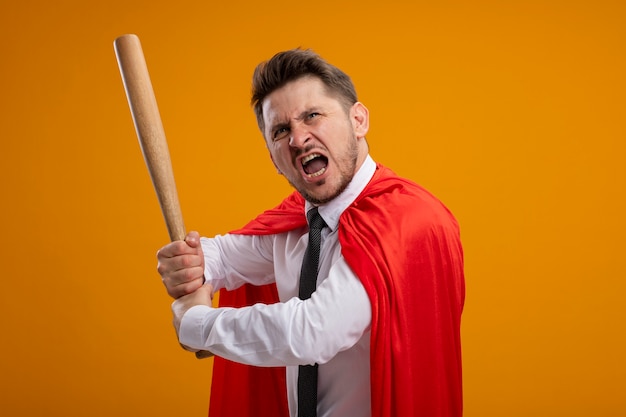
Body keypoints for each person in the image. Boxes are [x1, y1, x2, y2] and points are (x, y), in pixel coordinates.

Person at [156, 48, 465, 417]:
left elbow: (313, 332)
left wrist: (198, 324)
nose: (298, 139)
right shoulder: (296, 224)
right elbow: (222, 256)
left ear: (358, 120)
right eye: (281, 130)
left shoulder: (406, 221)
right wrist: (192, 264)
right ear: (273, 158)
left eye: (312, 116)